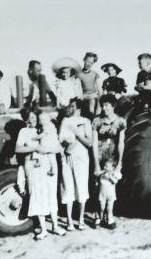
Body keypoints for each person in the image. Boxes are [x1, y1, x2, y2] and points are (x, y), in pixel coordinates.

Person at [15, 111, 66, 240]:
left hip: (47, 166)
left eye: (34, 117)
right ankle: (43, 229)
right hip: (34, 167)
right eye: (30, 117)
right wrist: (35, 148)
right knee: (37, 197)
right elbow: (18, 149)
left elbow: (56, 147)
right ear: (26, 119)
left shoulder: (43, 129)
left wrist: (49, 150)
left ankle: (55, 226)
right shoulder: (24, 131)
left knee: (51, 195)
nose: (33, 120)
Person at [92, 94, 126, 229]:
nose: (104, 108)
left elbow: (121, 143)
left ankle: (109, 216)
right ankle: (97, 216)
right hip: (99, 156)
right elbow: (94, 143)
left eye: (107, 105)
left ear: (113, 106)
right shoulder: (97, 121)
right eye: (103, 105)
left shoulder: (120, 121)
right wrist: (95, 163)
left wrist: (119, 163)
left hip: (112, 157)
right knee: (97, 186)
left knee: (111, 186)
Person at [59, 98, 92, 231]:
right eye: (70, 106)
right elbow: (60, 139)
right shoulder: (65, 121)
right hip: (67, 158)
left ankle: (81, 220)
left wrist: (77, 132)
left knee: (81, 187)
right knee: (67, 188)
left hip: (81, 158)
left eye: (73, 106)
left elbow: (89, 142)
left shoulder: (85, 122)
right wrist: (65, 145)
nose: (70, 108)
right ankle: (69, 222)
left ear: (79, 109)